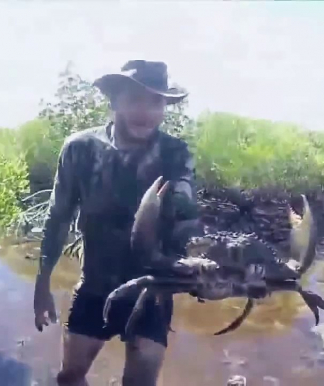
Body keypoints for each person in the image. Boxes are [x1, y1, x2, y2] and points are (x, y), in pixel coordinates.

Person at [33, 60, 203, 386]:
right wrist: (42, 285)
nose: (146, 111)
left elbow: (187, 218)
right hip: (95, 285)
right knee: (69, 377)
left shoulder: (174, 153)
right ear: (114, 101)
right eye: (135, 99)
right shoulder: (80, 149)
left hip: (152, 289)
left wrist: (202, 268)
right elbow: (58, 218)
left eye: (156, 102)